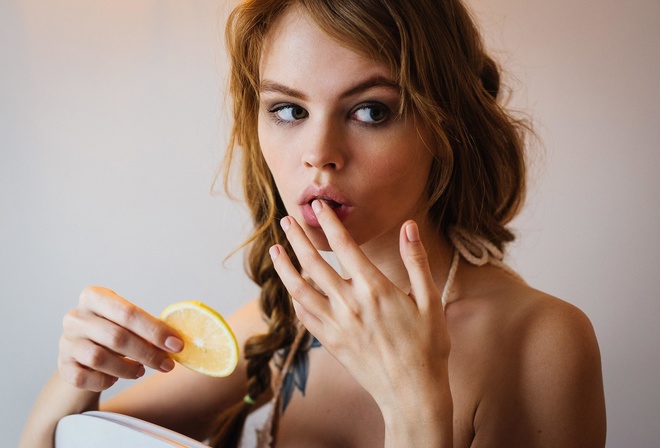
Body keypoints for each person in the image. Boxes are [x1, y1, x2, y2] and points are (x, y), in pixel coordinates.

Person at [20, 0, 607, 447]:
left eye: (370, 111)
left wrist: (416, 407)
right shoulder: (285, 320)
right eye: (289, 110)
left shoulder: (542, 344)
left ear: (445, 126)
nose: (318, 152)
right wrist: (76, 377)